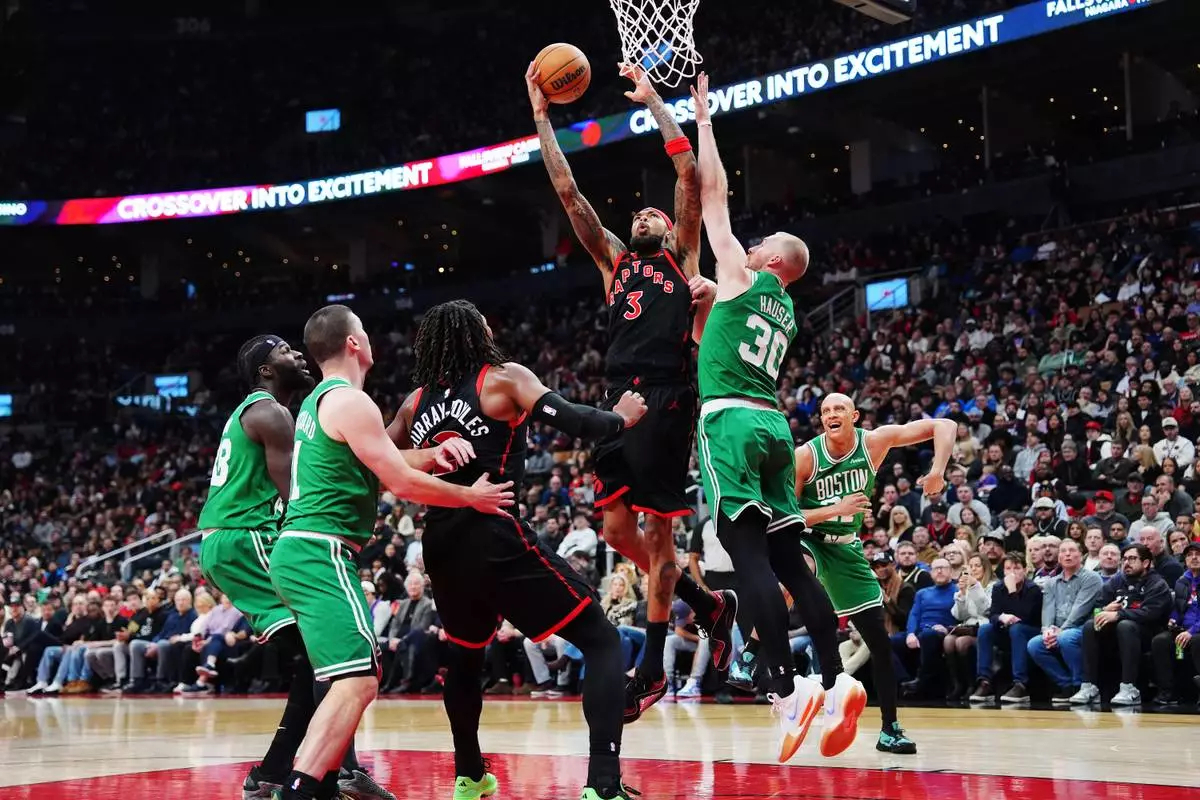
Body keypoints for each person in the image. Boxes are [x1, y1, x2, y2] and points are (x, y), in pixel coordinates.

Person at [528, 59, 735, 721]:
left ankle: (651, 673)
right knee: (619, 530)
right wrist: (540, 117)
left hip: (668, 397)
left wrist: (652, 101)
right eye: (638, 213)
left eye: (654, 213)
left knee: (658, 540)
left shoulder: (683, 257)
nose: (645, 214)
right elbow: (569, 193)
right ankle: (706, 606)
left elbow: (688, 175)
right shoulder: (614, 261)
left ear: (671, 229)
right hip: (618, 402)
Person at [388, 300, 647, 800]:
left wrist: (426, 456)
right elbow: (576, 421)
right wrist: (621, 418)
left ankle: (469, 775)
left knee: (465, 657)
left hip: (440, 542)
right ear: (477, 333)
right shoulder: (502, 379)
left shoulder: (414, 402)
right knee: (601, 639)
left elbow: (374, 457)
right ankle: (603, 782)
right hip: (493, 532)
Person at [271, 305, 514, 800]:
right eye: (363, 328)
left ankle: (304, 785)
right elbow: (400, 482)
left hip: (300, 551)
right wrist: (471, 496)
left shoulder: (321, 401)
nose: (369, 335)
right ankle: (299, 788)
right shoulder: (352, 401)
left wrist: (431, 454)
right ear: (354, 343)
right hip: (319, 551)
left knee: (348, 679)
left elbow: (380, 458)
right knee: (358, 680)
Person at [688, 71, 859, 763]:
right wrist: (705, 302)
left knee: (747, 555)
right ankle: (837, 678)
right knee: (791, 559)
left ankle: (786, 693)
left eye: (759, 245)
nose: (748, 244)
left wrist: (704, 119)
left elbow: (713, 195)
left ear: (773, 261)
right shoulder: (783, 307)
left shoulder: (744, 271)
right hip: (774, 425)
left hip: (730, 423)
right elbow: (714, 340)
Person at [196, 334, 403, 800]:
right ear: (265, 370)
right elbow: (300, 496)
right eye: (285, 352)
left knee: (318, 659)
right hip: (248, 537)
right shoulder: (272, 412)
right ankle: (331, 774)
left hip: (231, 541)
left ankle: (283, 772)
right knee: (331, 658)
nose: (297, 356)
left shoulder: (259, 412)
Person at [793, 394, 955, 752]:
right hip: (810, 538)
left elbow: (945, 424)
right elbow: (786, 516)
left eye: (838, 409)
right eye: (825, 411)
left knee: (880, 644)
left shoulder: (874, 442)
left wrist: (937, 471)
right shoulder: (806, 456)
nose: (831, 415)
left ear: (854, 416)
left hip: (847, 547)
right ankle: (755, 658)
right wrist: (835, 508)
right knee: (794, 571)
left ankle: (889, 729)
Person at [1070, 544, 1173, 706]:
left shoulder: (1157, 583)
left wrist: (1119, 614)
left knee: (1125, 626)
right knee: (1091, 625)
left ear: (1145, 563)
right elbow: (1096, 608)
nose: (1127, 563)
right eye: (1124, 559)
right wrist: (1104, 610)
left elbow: (1151, 613)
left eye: (1132, 559)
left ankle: (1129, 687)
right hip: (1118, 632)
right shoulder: (1116, 581)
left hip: (1148, 632)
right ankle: (1089, 685)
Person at [1024, 539, 1102, 704]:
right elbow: (1047, 609)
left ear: (1081, 555)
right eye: (1063, 551)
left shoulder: (1092, 578)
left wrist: (1061, 631)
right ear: (1059, 557)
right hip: (1058, 629)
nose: (1067, 554)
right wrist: (1047, 631)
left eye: (1072, 551)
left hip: (1084, 627)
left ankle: (1082, 685)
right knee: (1034, 644)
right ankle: (1066, 685)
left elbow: (1080, 610)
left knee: (1066, 638)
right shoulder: (1051, 582)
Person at [968, 553, 1043, 703]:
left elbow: (1025, 616)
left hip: (1029, 631)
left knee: (1017, 629)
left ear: (1025, 570)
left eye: (1017, 568)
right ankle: (985, 681)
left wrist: (1012, 591)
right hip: (1007, 630)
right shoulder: (998, 587)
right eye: (1008, 568)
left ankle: (1020, 684)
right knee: (985, 629)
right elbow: (992, 614)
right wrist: (1001, 617)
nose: (1012, 573)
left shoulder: (1033, 589)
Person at [897, 558, 957, 698]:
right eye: (936, 568)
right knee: (890, 642)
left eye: (943, 568)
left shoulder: (958, 591)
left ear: (951, 571)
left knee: (928, 636)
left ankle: (921, 680)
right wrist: (910, 633)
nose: (939, 571)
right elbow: (914, 615)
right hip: (920, 631)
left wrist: (948, 629)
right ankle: (903, 681)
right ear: (931, 573)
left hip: (942, 631)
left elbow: (961, 615)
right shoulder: (922, 593)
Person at [1150, 541, 1200, 705]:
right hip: (1184, 629)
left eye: (1198, 554)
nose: (1194, 558)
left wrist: (1191, 632)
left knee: (1197, 641)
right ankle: (1168, 692)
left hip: (1195, 631)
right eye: (1190, 555)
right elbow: (1178, 608)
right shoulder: (1182, 581)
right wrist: (1173, 620)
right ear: (1185, 560)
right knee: (1161, 641)